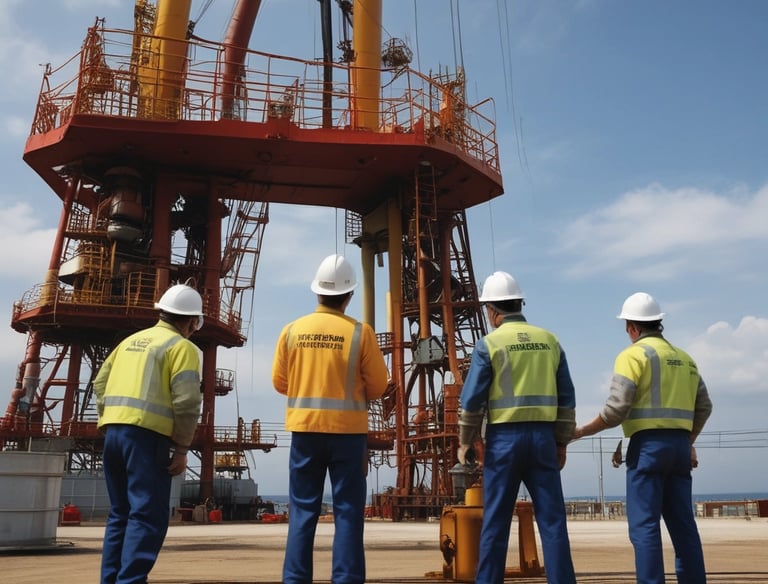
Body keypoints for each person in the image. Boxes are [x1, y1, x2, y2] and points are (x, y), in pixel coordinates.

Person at [573, 292, 713, 584]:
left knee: (645, 527)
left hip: (648, 449)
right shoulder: (685, 359)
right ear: (658, 323)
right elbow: (704, 406)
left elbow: (616, 411)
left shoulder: (632, 355)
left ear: (632, 328)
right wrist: (688, 442)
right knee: (684, 526)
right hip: (678, 448)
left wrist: (580, 432)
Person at [272, 254, 390, 584]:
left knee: (302, 513)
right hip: (348, 436)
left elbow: (280, 383)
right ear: (350, 295)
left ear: (317, 292)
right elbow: (380, 386)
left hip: (305, 433)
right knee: (349, 514)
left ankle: (295, 580)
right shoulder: (359, 333)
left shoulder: (292, 330)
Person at [458, 271, 577, 584]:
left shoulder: (490, 345)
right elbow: (567, 401)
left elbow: (471, 402)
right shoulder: (551, 342)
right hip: (543, 440)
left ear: (493, 311)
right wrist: (561, 443)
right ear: (519, 303)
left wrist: (467, 442)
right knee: (552, 523)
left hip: (504, 442)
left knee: (495, 522)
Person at [93, 282, 204, 584]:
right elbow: (187, 401)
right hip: (146, 438)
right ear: (192, 321)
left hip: (113, 434)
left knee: (120, 514)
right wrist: (182, 448)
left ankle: (111, 580)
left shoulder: (130, 341)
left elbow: (100, 384)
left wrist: (110, 419)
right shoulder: (182, 348)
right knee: (147, 516)